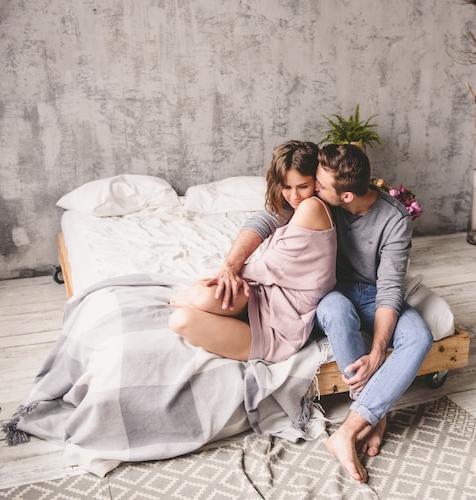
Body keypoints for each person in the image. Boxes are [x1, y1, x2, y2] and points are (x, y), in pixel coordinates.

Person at [208, 143, 433, 483]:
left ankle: (349, 429)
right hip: (333, 291)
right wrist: (231, 265)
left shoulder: (394, 218)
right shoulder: (315, 202)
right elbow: (267, 217)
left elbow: (390, 288)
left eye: (319, 185)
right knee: (337, 311)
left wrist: (375, 353)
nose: (311, 189)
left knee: (420, 336)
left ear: (344, 196)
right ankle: (375, 414)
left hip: (375, 295)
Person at [169, 140, 337, 363]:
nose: (294, 196)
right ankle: (205, 300)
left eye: (302, 186)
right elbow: (262, 220)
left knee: (181, 319)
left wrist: (220, 275)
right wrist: (228, 271)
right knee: (204, 295)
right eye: (286, 187)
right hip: (265, 294)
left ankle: (200, 301)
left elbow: (271, 267)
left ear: (316, 182)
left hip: (284, 322)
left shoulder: (312, 207)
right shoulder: (293, 206)